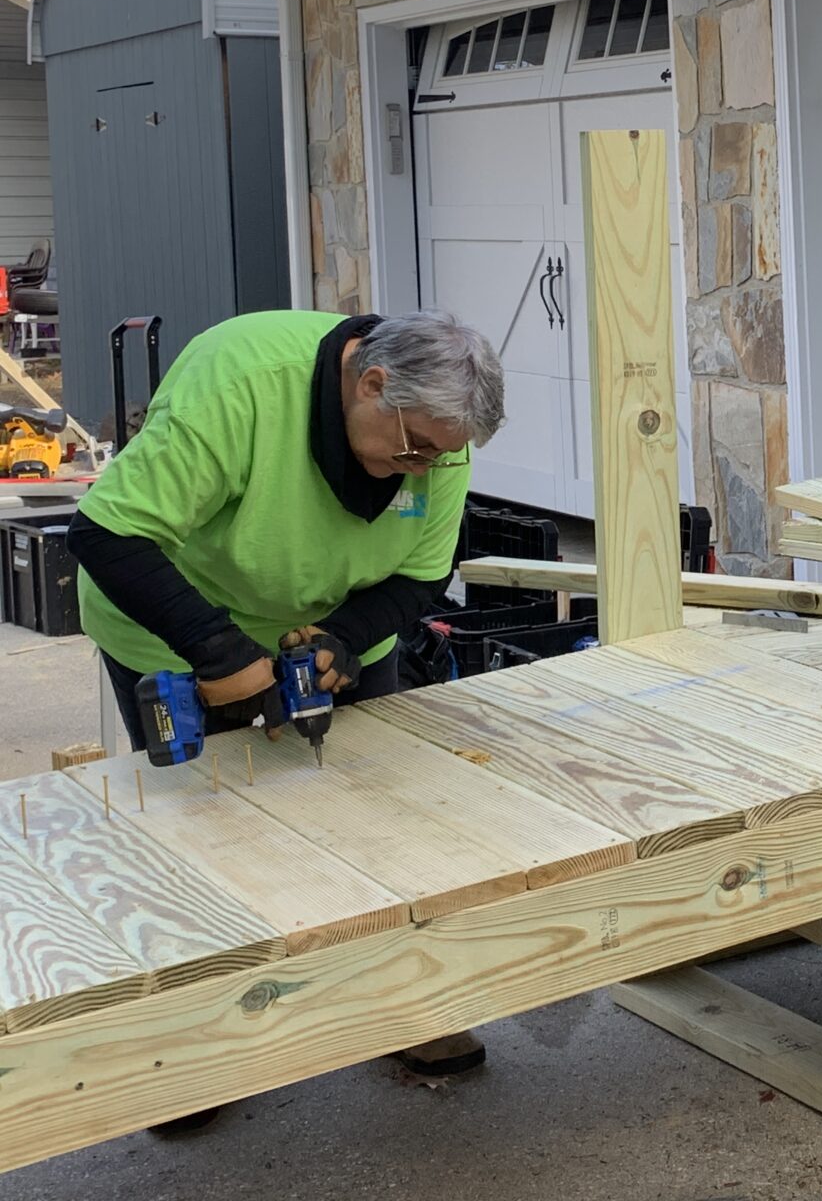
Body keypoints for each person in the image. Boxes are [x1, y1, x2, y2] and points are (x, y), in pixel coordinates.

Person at [68, 308, 507, 1118]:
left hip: (318, 617)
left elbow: (419, 578)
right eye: (414, 450)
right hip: (177, 623)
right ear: (371, 385)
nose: (424, 472)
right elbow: (106, 532)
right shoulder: (238, 387)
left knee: (376, 821)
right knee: (198, 839)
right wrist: (219, 653)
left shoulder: (436, 436)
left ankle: (402, 1005)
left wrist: (345, 639)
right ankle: (188, 1051)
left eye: (444, 458)